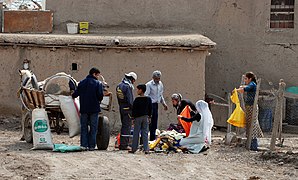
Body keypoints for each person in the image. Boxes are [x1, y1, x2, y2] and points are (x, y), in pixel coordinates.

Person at [72, 67, 104, 151]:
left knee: (84, 127)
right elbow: (100, 96)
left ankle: (84, 145)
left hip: (84, 109)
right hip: (94, 109)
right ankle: (91, 146)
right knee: (93, 128)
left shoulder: (82, 83)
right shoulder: (98, 84)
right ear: (94, 74)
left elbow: (75, 94)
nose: (98, 77)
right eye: (98, 75)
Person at [237, 72, 263, 150]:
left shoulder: (252, 84)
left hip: (252, 107)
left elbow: (247, 88)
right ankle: (251, 143)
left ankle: (254, 145)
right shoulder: (251, 84)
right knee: (250, 124)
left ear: (250, 79)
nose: (245, 80)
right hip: (249, 107)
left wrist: (240, 89)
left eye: (246, 78)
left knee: (253, 125)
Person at [116, 72, 138, 150]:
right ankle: (124, 145)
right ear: (131, 79)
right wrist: (134, 110)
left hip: (121, 108)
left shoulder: (119, 86)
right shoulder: (127, 87)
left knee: (124, 126)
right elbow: (130, 101)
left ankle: (122, 143)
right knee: (127, 127)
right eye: (134, 80)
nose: (133, 82)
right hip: (128, 110)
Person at [145, 70, 168, 141]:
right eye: (156, 78)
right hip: (150, 104)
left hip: (156, 105)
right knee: (149, 123)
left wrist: (164, 104)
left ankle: (152, 139)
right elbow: (146, 95)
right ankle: (145, 139)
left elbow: (160, 95)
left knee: (154, 122)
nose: (158, 80)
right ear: (153, 78)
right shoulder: (149, 85)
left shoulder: (160, 84)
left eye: (159, 78)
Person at [129, 84, 152, 154]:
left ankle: (134, 148)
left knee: (136, 133)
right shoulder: (148, 99)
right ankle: (146, 149)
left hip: (138, 118)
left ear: (141, 90)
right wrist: (150, 117)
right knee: (145, 133)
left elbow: (134, 110)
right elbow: (150, 109)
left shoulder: (137, 100)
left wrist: (132, 118)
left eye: (138, 89)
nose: (137, 91)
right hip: (145, 117)